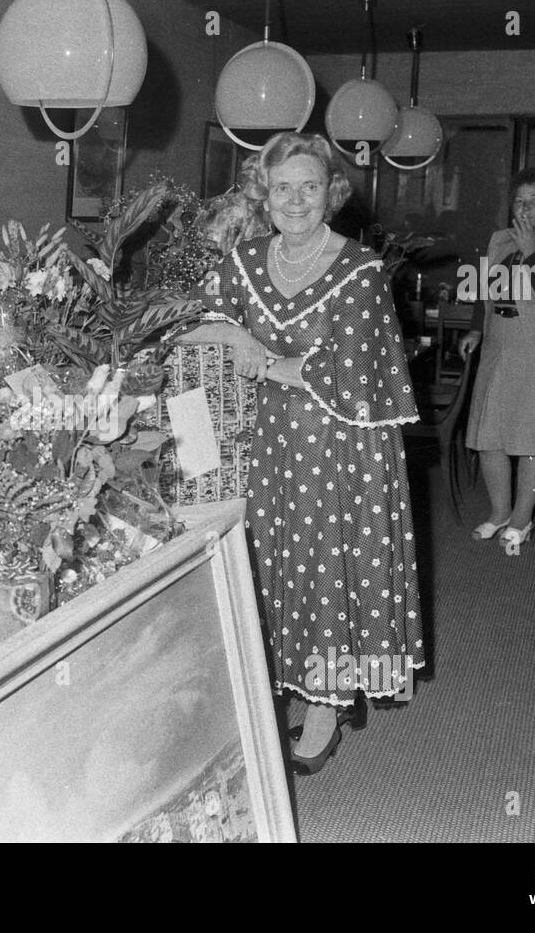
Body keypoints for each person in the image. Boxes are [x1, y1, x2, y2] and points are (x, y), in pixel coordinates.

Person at [179, 132, 423, 775]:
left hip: (340, 443)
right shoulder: (247, 257)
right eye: (281, 186)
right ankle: (292, 681)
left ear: (331, 193)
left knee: (323, 563)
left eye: (308, 186)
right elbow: (206, 320)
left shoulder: (361, 270)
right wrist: (231, 340)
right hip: (266, 441)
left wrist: (268, 361)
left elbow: (353, 372)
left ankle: (328, 703)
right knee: (268, 557)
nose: (294, 199)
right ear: (264, 192)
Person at [457, 169, 535, 554]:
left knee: (534, 440)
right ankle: (499, 513)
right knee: (489, 437)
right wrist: (477, 330)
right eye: (519, 200)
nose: (526, 207)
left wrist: (532, 250)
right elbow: (484, 291)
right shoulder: (499, 239)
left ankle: (521, 520)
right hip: (500, 347)